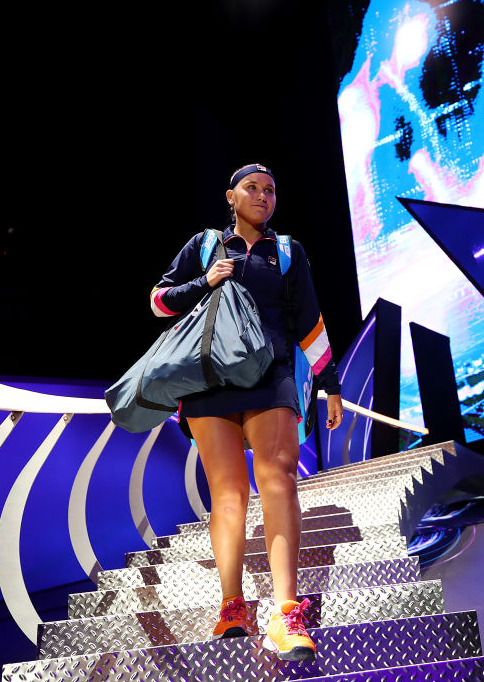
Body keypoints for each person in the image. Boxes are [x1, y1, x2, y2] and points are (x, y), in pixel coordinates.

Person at [148, 163, 344, 661]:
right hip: (209, 381)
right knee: (228, 493)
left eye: (271, 190)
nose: (262, 195)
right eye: (252, 188)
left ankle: (286, 611)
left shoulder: (287, 251)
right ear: (230, 197)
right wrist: (204, 282)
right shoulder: (205, 245)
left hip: (272, 374)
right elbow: (158, 302)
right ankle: (232, 606)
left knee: (278, 478)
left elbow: (309, 319)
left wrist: (331, 384)